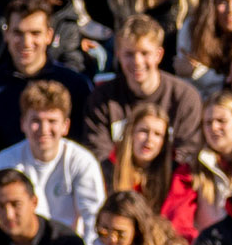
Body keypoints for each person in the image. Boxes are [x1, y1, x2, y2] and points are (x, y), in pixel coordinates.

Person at [0, 1, 94, 175]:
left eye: (35, 33)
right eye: (18, 33)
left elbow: (83, 145)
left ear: (49, 36)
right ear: (6, 34)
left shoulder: (74, 84)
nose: (26, 42)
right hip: (7, 185)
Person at [0, 80, 105, 239]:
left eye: (52, 121)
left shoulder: (82, 162)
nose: (44, 129)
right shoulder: (5, 161)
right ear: (23, 124)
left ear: (65, 126)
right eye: (36, 121)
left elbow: (94, 219)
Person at [82, 16, 204, 163]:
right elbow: (98, 155)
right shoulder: (102, 99)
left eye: (145, 53)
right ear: (118, 54)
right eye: (129, 54)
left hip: (168, 182)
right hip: (118, 181)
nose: (137, 62)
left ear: (159, 54)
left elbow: (187, 154)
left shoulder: (184, 98)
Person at [103, 101, 198, 241]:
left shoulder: (175, 173)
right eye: (143, 131)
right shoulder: (108, 168)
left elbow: (178, 222)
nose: (149, 140)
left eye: (157, 134)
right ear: (131, 132)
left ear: (164, 142)